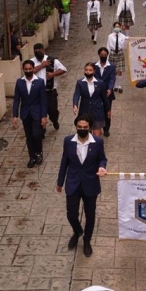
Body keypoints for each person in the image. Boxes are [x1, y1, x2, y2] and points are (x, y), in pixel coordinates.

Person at [56, 116, 109, 257]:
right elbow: (64, 162)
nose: (82, 129)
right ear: (76, 127)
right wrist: (60, 182)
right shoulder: (68, 141)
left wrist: (102, 167)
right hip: (73, 183)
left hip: (90, 184)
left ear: (90, 127)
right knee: (71, 214)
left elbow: (102, 158)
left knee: (90, 215)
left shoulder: (97, 142)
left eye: (85, 127)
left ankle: (87, 241)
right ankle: (78, 230)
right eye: (80, 127)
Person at [13, 60, 48, 168]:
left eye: (30, 69)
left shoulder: (40, 82)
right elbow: (16, 100)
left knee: (36, 134)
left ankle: (39, 152)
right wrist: (15, 115)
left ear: (33, 69)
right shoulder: (19, 82)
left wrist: (44, 116)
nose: (28, 71)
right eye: (26, 69)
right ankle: (32, 156)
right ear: (23, 69)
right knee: (29, 136)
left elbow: (43, 100)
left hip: (37, 112)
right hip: (25, 113)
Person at [32, 43, 67, 130]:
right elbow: (30, 72)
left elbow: (63, 69)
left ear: (43, 50)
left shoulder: (52, 60)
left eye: (40, 51)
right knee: (39, 112)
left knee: (52, 110)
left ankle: (54, 120)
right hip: (37, 93)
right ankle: (41, 130)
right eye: (36, 52)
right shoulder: (31, 62)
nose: (38, 53)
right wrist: (42, 65)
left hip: (50, 91)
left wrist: (53, 74)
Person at [73, 63, 111, 138]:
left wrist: (108, 109)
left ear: (94, 71)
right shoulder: (80, 83)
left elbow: (104, 97)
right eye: (86, 70)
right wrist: (75, 104)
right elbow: (76, 94)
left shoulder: (100, 83)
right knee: (86, 133)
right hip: (84, 111)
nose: (88, 72)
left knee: (97, 135)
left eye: (90, 70)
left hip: (97, 111)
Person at [94, 48, 116, 137]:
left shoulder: (111, 66)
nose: (103, 56)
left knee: (107, 110)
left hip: (107, 93)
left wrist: (110, 89)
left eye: (105, 55)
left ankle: (106, 128)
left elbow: (112, 78)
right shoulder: (94, 66)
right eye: (102, 55)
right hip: (97, 93)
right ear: (99, 55)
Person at [107, 22, 128, 94]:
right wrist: (107, 56)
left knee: (120, 71)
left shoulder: (123, 36)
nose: (117, 28)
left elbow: (124, 47)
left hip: (120, 53)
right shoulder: (110, 36)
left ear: (120, 27)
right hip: (112, 53)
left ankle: (119, 85)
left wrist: (125, 41)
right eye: (116, 26)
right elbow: (108, 46)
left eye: (118, 26)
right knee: (114, 71)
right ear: (113, 27)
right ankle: (115, 85)